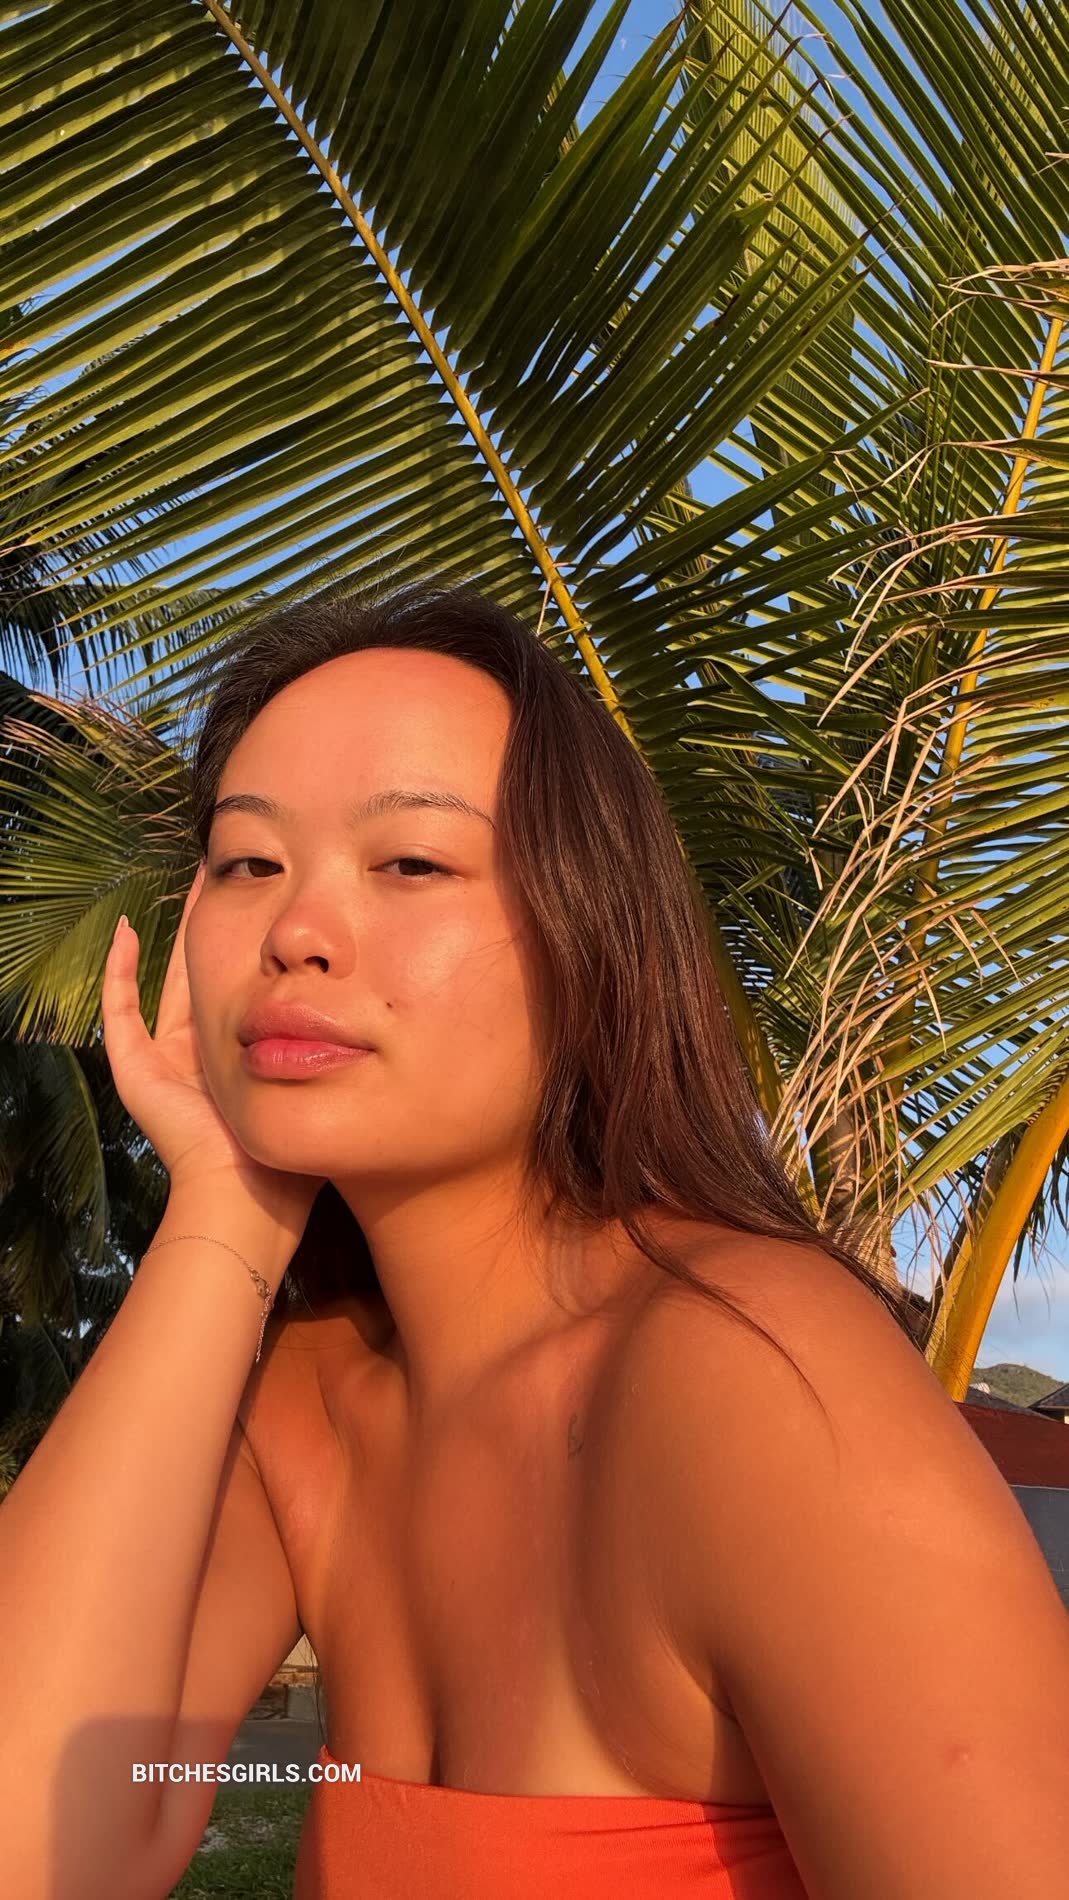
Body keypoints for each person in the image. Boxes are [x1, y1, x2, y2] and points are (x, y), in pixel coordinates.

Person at [3, 579, 1068, 1900]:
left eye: (411, 863)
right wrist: (221, 1204)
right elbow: (40, 1847)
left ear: (590, 937)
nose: (294, 933)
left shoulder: (745, 1379)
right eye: (247, 863)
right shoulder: (309, 1407)